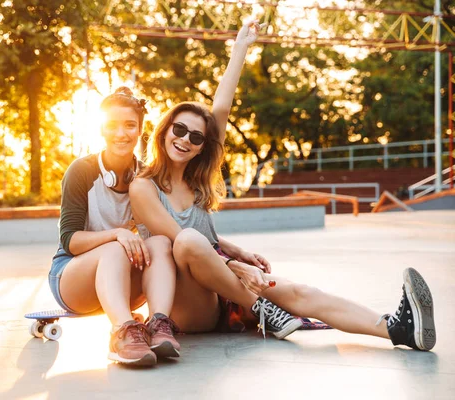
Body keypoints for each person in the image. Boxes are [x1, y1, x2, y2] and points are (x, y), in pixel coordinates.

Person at [129, 21, 436, 351]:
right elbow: (181, 239)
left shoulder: (196, 182)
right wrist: (235, 262)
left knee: (300, 293)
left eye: (196, 136)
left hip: (223, 280)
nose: (185, 140)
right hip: (188, 304)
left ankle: (397, 328)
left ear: (205, 146)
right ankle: (263, 308)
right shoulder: (144, 187)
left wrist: (240, 49)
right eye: (179, 129)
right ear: (164, 131)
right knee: (189, 240)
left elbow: (221, 109)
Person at [50, 87, 180, 367]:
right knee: (114, 247)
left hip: (122, 284)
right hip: (73, 279)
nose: (121, 134)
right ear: (101, 129)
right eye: (112, 125)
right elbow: (69, 240)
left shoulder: (147, 178)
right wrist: (117, 233)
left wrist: (225, 253)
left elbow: (171, 230)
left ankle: (158, 325)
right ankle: (123, 331)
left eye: (130, 125)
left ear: (140, 130)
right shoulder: (81, 171)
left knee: (160, 243)